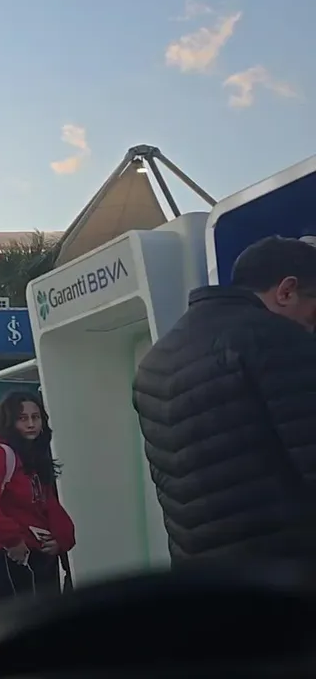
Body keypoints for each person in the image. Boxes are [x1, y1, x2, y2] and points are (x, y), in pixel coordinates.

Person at [133, 235, 316, 567]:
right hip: (283, 569)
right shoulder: (274, 337)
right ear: (287, 291)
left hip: (204, 577)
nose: (311, 327)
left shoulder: (155, 361)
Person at [0, 390, 76, 604]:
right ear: (9, 422)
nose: (31, 424)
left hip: (37, 555)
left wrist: (61, 539)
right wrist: (12, 540)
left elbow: (48, 504)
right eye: (22, 418)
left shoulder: (34, 455)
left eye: (36, 417)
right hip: (8, 556)